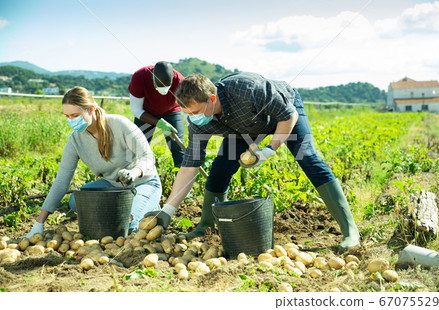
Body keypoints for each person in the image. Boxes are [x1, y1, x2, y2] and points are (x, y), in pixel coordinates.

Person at [146, 72, 360, 252]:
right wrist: (167, 210)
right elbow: (189, 167)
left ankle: (350, 231)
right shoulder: (198, 122)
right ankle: (206, 226)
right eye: (187, 114)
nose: (193, 118)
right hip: (242, 127)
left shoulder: (248, 90)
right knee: (219, 171)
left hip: (283, 115)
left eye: (195, 112)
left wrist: (269, 150)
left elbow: (289, 115)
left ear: (212, 99)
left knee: (308, 158)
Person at [24, 86, 162, 238]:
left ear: (91, 109)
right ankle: (126, 212)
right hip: (113, 187)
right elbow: (61, 181)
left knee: (128, 227)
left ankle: (147, 207)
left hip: (144, 183)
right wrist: (39, 223)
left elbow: (148, 157)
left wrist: (133, 172)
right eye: (67, 116)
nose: (71, 121)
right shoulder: (76, 140)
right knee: (76, 202)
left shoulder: (119, 124)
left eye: (75, 115)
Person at [128, 61, 185, 167]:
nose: (163, 92)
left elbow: (187, 110)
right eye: (159, 87)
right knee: (138, 148)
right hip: (146, 113)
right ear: (152, 78)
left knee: (178, 146)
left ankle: (182, 181)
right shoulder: (140, 77)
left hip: (171, 111)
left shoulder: (180, 81)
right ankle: (138, 177)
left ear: (172, 79)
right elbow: (136, 110)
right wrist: (158, 122)